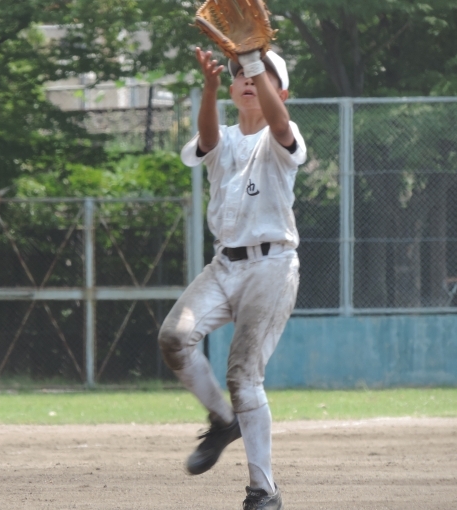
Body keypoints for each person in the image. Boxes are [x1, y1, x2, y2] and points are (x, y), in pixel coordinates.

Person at [158, 45, 306, 510]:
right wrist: (209, 87)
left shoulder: (282, 136)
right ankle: (224, 422)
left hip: (272, 266)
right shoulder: (221, 136)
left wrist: (255, 62)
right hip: (225, 266)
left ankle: (264, 491)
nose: (247, 79)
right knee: (173, 338)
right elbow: (205, 142)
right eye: (240, 73)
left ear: (280, 92)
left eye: (259, 74)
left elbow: (279, 125)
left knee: (244, 377)